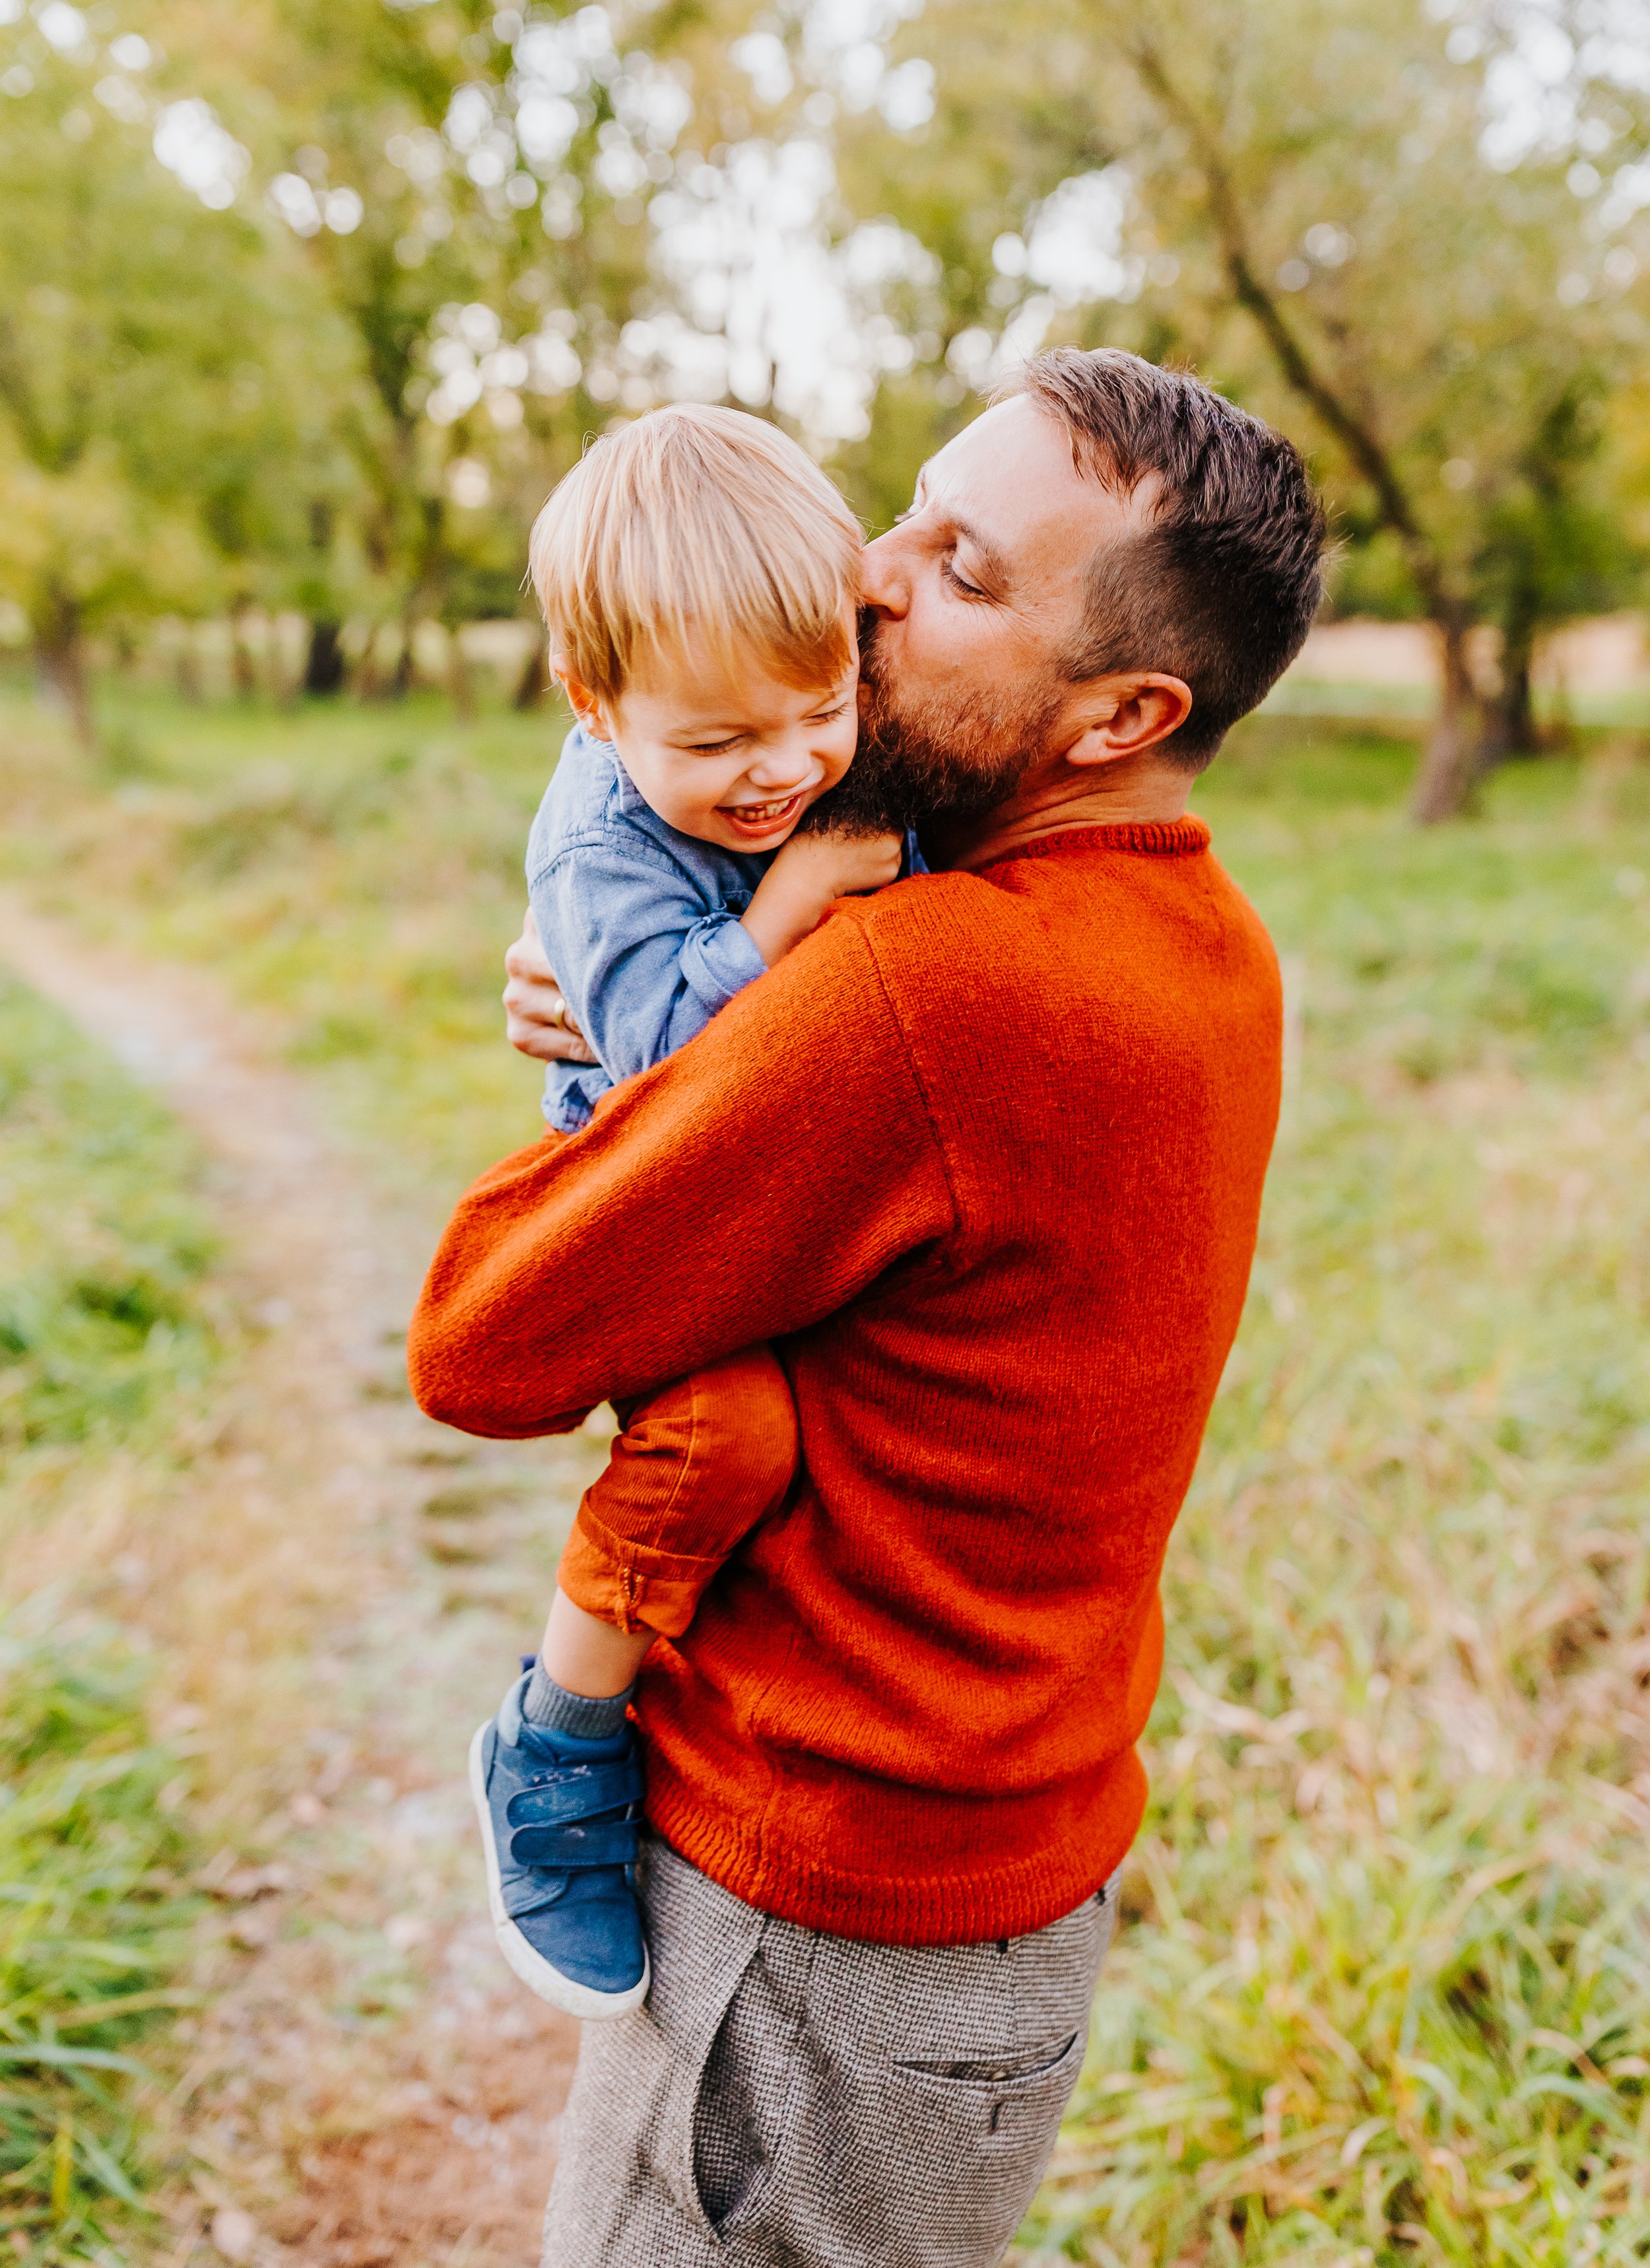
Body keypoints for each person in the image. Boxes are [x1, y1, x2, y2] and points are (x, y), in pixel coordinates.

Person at [411, 348, 1326, 2268]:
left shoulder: (917, 993)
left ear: (1123, 711)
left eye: (968, 570)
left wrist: (649, 1076)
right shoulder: (1207, 942)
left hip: (808, 1926)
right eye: (908, 512)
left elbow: (481, 1332)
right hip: (1005, 1893)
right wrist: (683, 1043)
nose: (878, 576)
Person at [471, 405, 913, 2021]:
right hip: (654, 1188)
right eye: (715, 744)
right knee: (718, 1436)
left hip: (785, 1181)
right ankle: (555, 1742)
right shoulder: (594, 840)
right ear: (595, 710)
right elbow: (659, 1051)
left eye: (817, 711)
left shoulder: (817, 733)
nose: (781, 770)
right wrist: (786, 915)